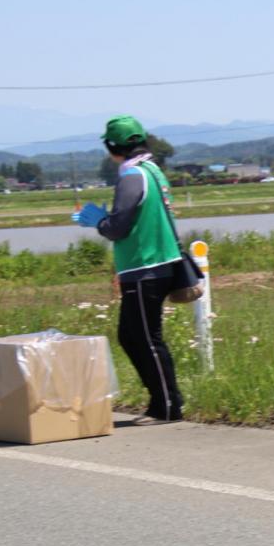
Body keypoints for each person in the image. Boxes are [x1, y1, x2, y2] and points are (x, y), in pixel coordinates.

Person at [72, 115, 184, 426]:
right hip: (158, 264)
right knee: (132, 336)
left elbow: (118, 227)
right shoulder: (152, 170)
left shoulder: (132, 176)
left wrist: (98, 221)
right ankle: (161, 400)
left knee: (145, 338)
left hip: (144, 267)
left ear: (112, 146)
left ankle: (168, 404)